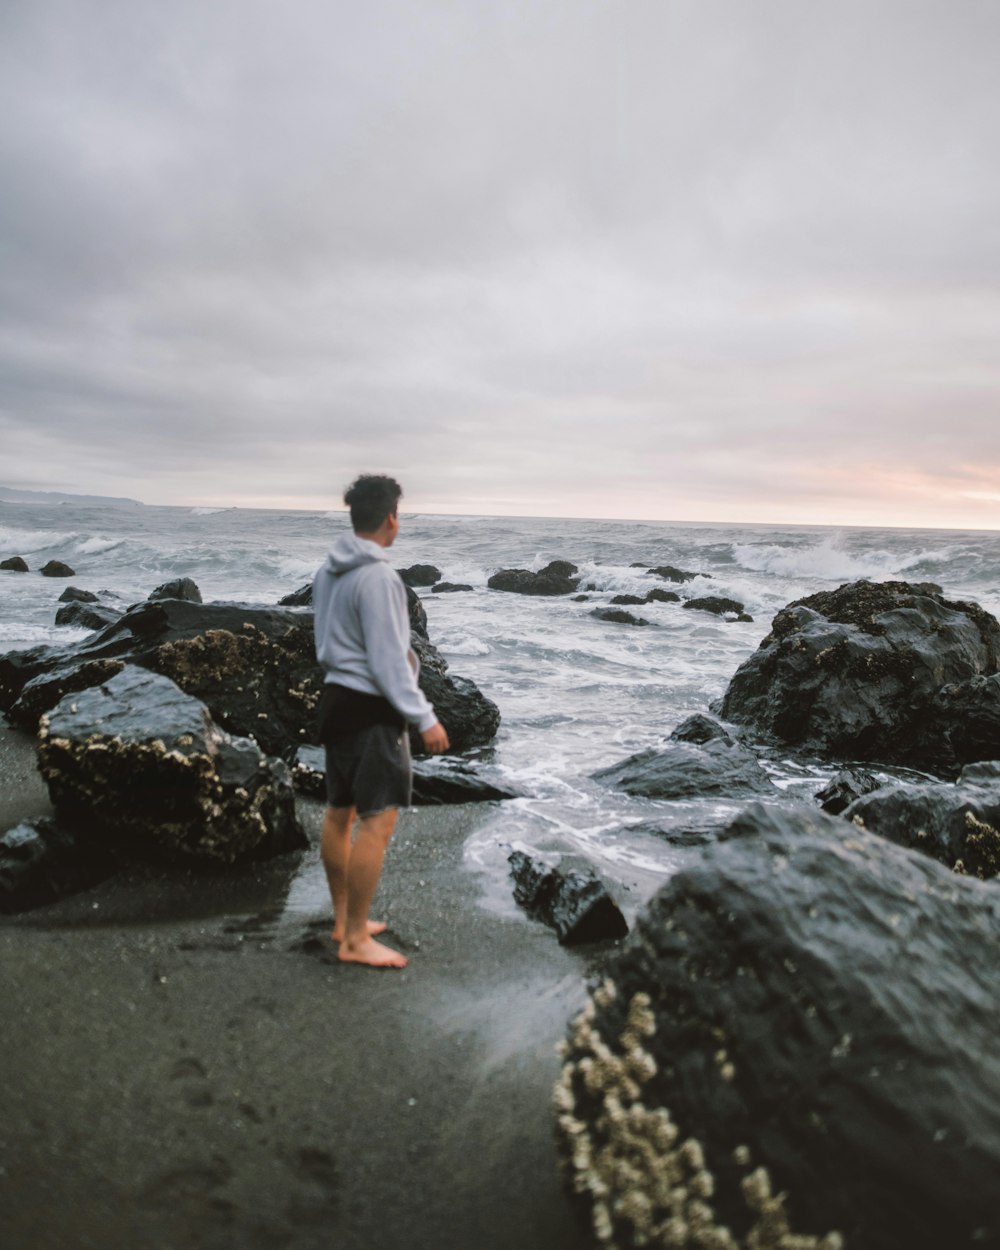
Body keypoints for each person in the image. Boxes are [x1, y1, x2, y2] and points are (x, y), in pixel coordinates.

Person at [312, 474, 449, 968]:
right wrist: (425, 717)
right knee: (376, 822)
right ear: (392, 517)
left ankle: (344, 922)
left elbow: (327, 640)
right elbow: (389, 660)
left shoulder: (328, 573)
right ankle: (354, 941)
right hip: (371, 710)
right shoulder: (380, 579)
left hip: (335, 701)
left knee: (338, 812)